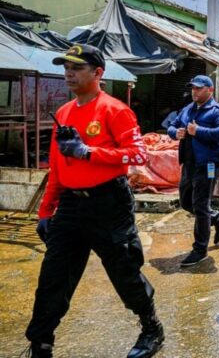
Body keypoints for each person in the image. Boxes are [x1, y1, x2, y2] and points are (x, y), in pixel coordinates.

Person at [26, 44, 162, 358]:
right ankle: (40, 344)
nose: (68, 73)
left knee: (124, 271)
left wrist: (89, 152)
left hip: (109, 203)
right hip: (71, 206)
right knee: (52, 278)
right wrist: (47, 210)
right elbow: (58, 165)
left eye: (76, 67)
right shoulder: (63, 112)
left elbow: (139, 154)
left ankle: (151, 327)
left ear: (97, 73)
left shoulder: (115, 110)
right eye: (66, 67)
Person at [168, 75, 219, 267]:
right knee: (186, 202)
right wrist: (175, 133)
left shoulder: (217, 110)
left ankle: (200, 250)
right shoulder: (188, 109)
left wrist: (200, 131)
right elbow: (172, 125)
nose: (194, 91)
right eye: (192, 88)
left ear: (210, 90)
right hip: (189, 163)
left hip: (208, 165)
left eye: (198, 88)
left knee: (201, 205)